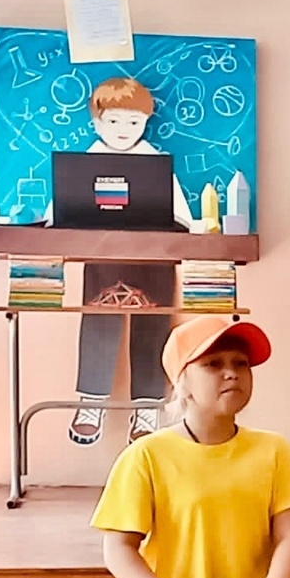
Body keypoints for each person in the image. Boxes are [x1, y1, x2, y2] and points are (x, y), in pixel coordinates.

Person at [91, 316, 290, 578]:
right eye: (213, 364)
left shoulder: (274, 450)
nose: (231, 373)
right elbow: (119, 548)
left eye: (241, 364)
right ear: (182, 382)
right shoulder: (145, 456)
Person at [59, 77, 197, 447]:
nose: (124, 129)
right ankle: (91, 400)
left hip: (153, 254)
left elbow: (182, 218)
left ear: (146, 123)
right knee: (99, 317)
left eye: (134, 121)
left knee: (153, 322)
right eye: (114, 121)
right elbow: (60, 210)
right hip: (103, 252)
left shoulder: (156, 163)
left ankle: (147, 405)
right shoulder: (83, 164)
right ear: (96, 122)